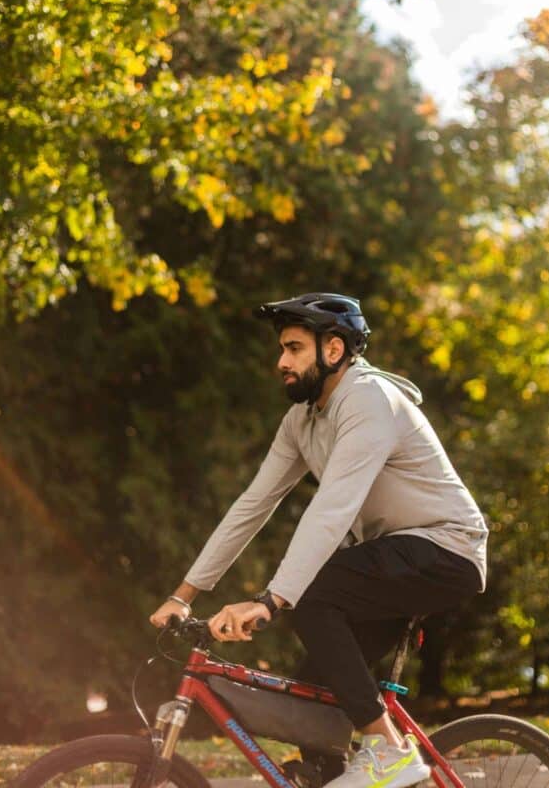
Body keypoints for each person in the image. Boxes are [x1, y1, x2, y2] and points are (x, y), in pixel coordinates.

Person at [150, 293, 488, 788]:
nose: (281, 362)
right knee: (316, 691)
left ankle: (390, 750)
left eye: (293, 348)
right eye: (281, 350)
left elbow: (332, 509)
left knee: (311, 598)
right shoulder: (302, 421)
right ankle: (338, 770)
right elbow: (252, 506)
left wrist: (272, 600)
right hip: (393, 557)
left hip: (445, 549)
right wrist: (184, 594)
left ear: (333, 350)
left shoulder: (369, 399)